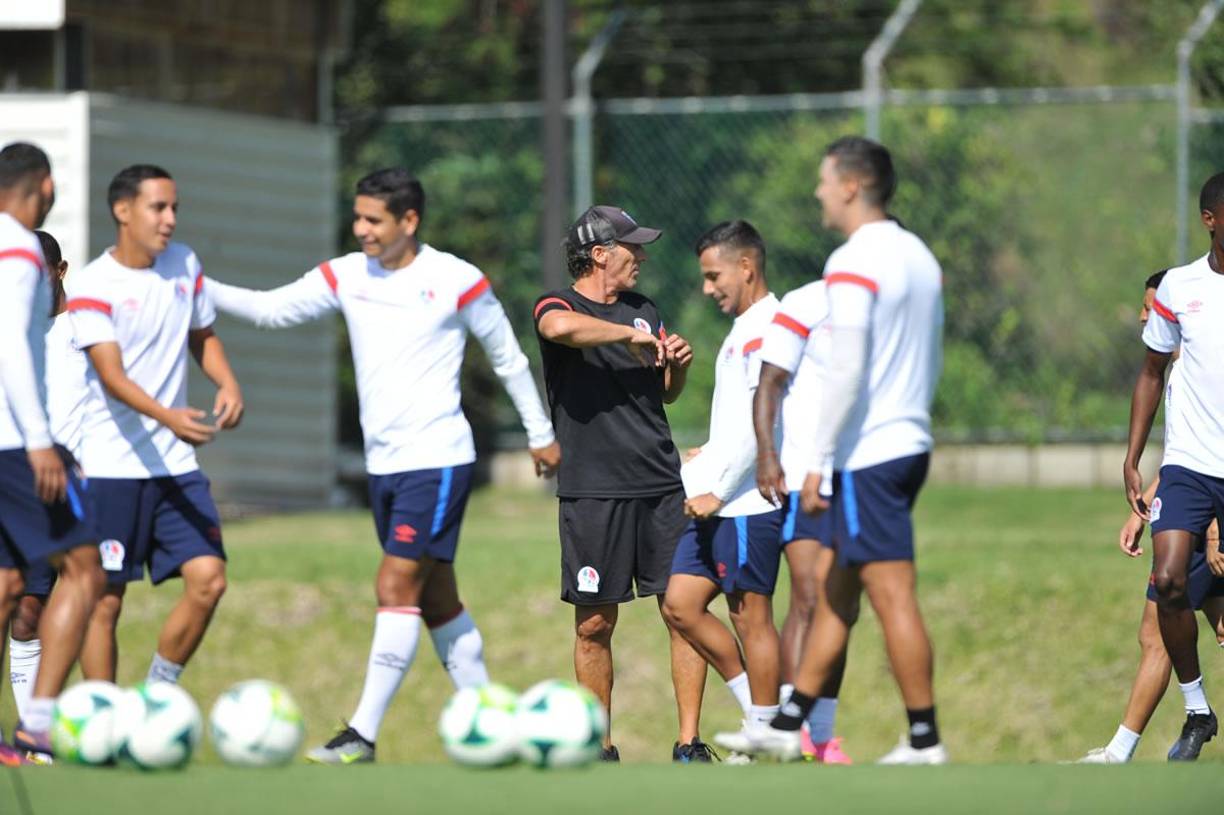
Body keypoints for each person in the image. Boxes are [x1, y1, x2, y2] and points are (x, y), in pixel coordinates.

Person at [206, 168, 559, 764]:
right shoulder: (346, 274)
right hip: (384, 469)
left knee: (395, 583)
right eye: (358, 217)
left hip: (439, 460)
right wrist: (190, 282)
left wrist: (541, 433)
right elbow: (269, 311)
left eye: (374, 220)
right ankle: (494, 723)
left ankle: (362, 734)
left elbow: (509, 358)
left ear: (409, 222)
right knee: (437, 598)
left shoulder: (456, 280)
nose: (361, 230)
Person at [717, 136, 945, 764]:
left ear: (850, 185)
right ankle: (790, 726)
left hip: (869, 454)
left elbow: (846, 368)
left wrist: (818, 458)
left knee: (891, 592)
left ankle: (925, 740)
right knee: (837, 592)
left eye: (823, 181)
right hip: (908, 442)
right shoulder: (920, 257)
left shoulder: (852, 261)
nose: (818, 192)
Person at [534, 205, 703, 762]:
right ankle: (599, 746)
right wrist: (625, 338)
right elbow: (558, 329)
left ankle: (689, 743)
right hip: (593, 490)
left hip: (659, 482)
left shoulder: (644, 309)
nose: (644, 256)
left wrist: (674, 363)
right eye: (634, 247)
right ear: (601, 253)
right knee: (595, 625)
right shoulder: (557, 304)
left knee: (683, 611)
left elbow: (667, 394)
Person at [66, 164, 242, 690]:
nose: (169, 219)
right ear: (123, 211)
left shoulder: (185, 264)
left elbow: (202, 334)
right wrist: (169, 416)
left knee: (209, 581)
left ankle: (155, 696)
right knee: (104, 600)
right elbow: (111, 375)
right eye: (157, 207)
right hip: (110, 468)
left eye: (174, 209)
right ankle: (103, 713)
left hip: (175, 466)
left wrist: (228, 383)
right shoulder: (94, 284)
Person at [1079, 271, 1224, 764]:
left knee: (1172, 625)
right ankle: (1124, 749)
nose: (1145, 316)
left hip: (1208, 513)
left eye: (1150, 306)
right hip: (1187, 497)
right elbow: (1186, 456)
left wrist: (1208, 523)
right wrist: (1149, 506)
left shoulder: (1198, 363)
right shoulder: (1175, 371)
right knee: (1158, 625)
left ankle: (1134, 745)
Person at [659, 220, 785, 757]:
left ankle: (770, 731)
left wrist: (721, 485)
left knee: (748, 614)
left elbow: (767, 419)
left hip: (749, 500)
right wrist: (709, 455)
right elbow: (739, 423)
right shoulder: (743, 329)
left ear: (746, 267)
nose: (708, 288)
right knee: (679, 604)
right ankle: (762, 722)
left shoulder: (769, 328)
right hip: (721, 492)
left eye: (714, 277)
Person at [0, 141, 105, 764]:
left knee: (13, 582)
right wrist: (41, 442)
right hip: (18, 447)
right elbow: (15, 349)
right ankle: (37, 728)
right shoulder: (17, 252)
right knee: (86, 571)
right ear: (40, 184)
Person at [1124, 170, 1224, 761]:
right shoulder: (1179, 287)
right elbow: (1150, 372)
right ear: (1211, 219)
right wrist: (1132, 460)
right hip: (1188, 466)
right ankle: (1196, 707)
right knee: (1166, 582)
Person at [750, 275, 855, 764]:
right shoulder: (806, 302)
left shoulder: (884, 303)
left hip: (859, 477)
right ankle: (792, 732)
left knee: (840, 606)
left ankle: (822, 734)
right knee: (809, 597)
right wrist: (768, 454)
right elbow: (769, 382)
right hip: (803, 477)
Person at [8, 230, 83, 725]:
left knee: (93, 598)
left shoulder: (86, 327)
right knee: (26, 611)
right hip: (21, 484)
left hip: (83, 488)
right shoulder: (12, 333)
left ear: (59, 270)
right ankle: (34, 737)